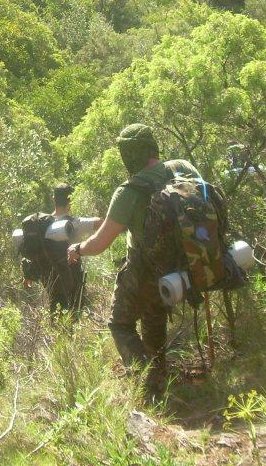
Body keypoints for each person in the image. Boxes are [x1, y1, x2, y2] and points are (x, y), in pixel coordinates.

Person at [67, 123, 201, 394]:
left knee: (120, 324)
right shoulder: (183, 168)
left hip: (148, 269)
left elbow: (100, 244)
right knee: (153, 316)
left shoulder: (129, 191)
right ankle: (160, 372)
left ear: (128, 154)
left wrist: (77, 249)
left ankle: (148, 378)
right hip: (191, 263)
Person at [26, 183, 99, 315]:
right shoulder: (73, 223)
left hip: (49, 279)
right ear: (71, 201)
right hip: (71, 279)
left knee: (56, 312)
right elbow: (101, 222)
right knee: (74, 314)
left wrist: (28, 275)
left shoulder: (41, 224)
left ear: (54, 199)